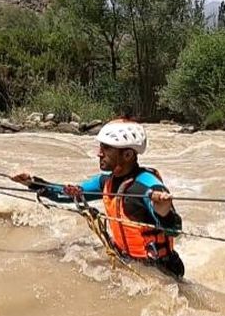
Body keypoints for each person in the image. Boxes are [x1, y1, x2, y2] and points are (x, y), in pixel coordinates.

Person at [12, 119, 186, 279]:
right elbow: (68, 195)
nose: (99, 153)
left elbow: (175, 229)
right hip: (127, 262)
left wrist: (164, 212)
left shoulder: (147, 185)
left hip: (160, 271)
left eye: (106, 148)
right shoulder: (105, 182)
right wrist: (32, 182)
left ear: (127, 155)